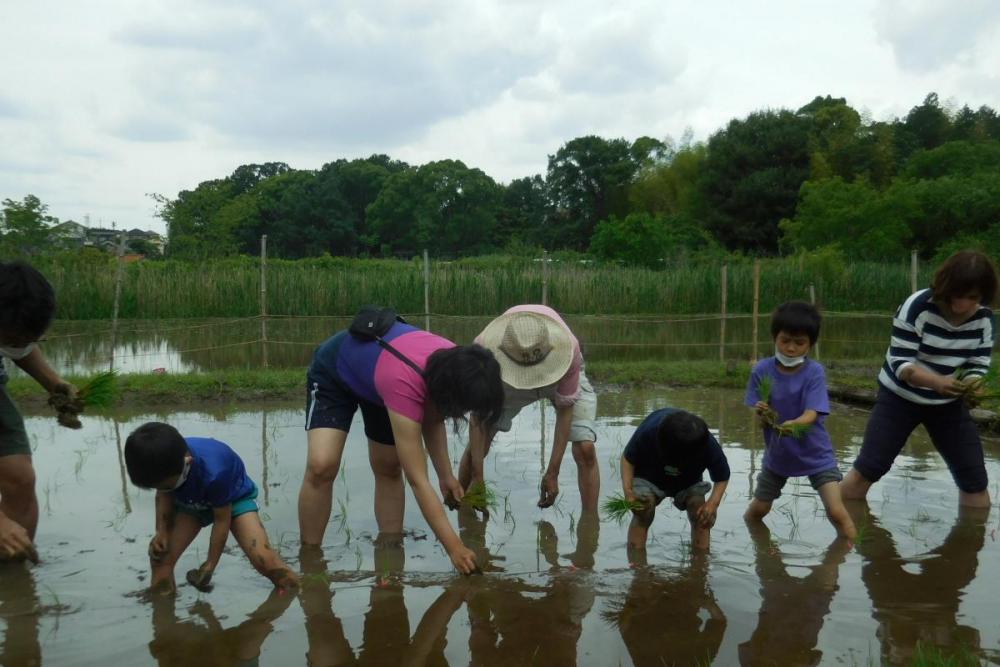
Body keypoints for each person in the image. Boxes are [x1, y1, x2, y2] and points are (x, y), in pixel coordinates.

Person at [297, 311, 504, 574]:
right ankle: (310, 559)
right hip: (336, 373)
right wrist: (455, 547)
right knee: (321, 465)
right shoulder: (408, 379)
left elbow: (433, 415)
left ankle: (389, 554)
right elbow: (417, 479)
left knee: (389, 466)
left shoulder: (463, 366)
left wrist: (446, 475)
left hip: (382, 380)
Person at [841, 250, 998, 508]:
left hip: (947, 403)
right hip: (899, 397)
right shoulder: (917, 307)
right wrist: (938, 382)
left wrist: (973, 384)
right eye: (956, 295)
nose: (962, 305)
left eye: (972, 298)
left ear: (983, 295)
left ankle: (971, 542)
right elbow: (902, 364)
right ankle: (843, 530)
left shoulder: (984, 319)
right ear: (945, 288)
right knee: (870, 467)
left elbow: (977, 362)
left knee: (974, 480)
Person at [124, 421, 297, 594]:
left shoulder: (215, 473)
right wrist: (161, 532)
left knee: (264, 560)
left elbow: (222, 521)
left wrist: (209, 565)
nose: (163, 489)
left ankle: (297, 589)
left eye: (167, 485)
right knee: (160, 557)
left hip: (233, 499)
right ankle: (163, 611)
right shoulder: (162, 460)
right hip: (191, 501)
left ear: (187, 462)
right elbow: (164, 493)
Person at [458, 305, 600, 510]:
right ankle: (460, 509)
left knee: (585, 448)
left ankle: (590, 522)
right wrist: (477, 477)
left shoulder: (569, 350)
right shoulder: (482, 354)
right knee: (475, 453)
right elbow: (477, 419)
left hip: (557, 373)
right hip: (505, 382)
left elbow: (565, 410)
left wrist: (553, 472)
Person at [744, 301, 856, 540]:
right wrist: (762, 413)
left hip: (816, 453)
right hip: (778, 454)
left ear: (811, 344)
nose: (791, 348)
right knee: (757, 511)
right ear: (775, 338)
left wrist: (794, 424)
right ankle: (758, 548)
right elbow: (758, 417)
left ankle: (848, 554)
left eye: (799, 343)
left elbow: (812, 413)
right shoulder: (761, 371)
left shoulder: (814, 372)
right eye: (785, 341)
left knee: (837, 512)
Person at [0, 261, 77, 562]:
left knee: (20, 478)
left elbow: (20, 347)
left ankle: (14, 576)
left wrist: (55, 384)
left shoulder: (10, 314)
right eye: (11, 339)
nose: (19, 345)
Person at [620, 408, 729, 551]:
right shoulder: (650, 432)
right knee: (643, 509)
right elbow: (627, 459)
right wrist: (628, 493)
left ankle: (700, 564)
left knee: (700, 512)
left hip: (688, 479)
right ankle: (636, 564)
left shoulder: (706, 444)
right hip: (650, 474)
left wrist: (712, 504)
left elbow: (722, 476)